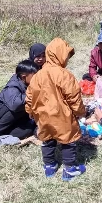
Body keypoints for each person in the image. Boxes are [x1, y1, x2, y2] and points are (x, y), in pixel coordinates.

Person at [25, 38, 87, 181]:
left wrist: (30, 112)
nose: (67, 59)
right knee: (68, 141)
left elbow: (29, 96)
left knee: (47, 140)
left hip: (43, 116)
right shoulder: (64, 75)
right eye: (66, 56)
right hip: (62, 116)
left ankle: (49, 166)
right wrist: (81, 113)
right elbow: (74, 98)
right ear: (59, 55)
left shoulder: (37, 75)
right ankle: (70, 169)